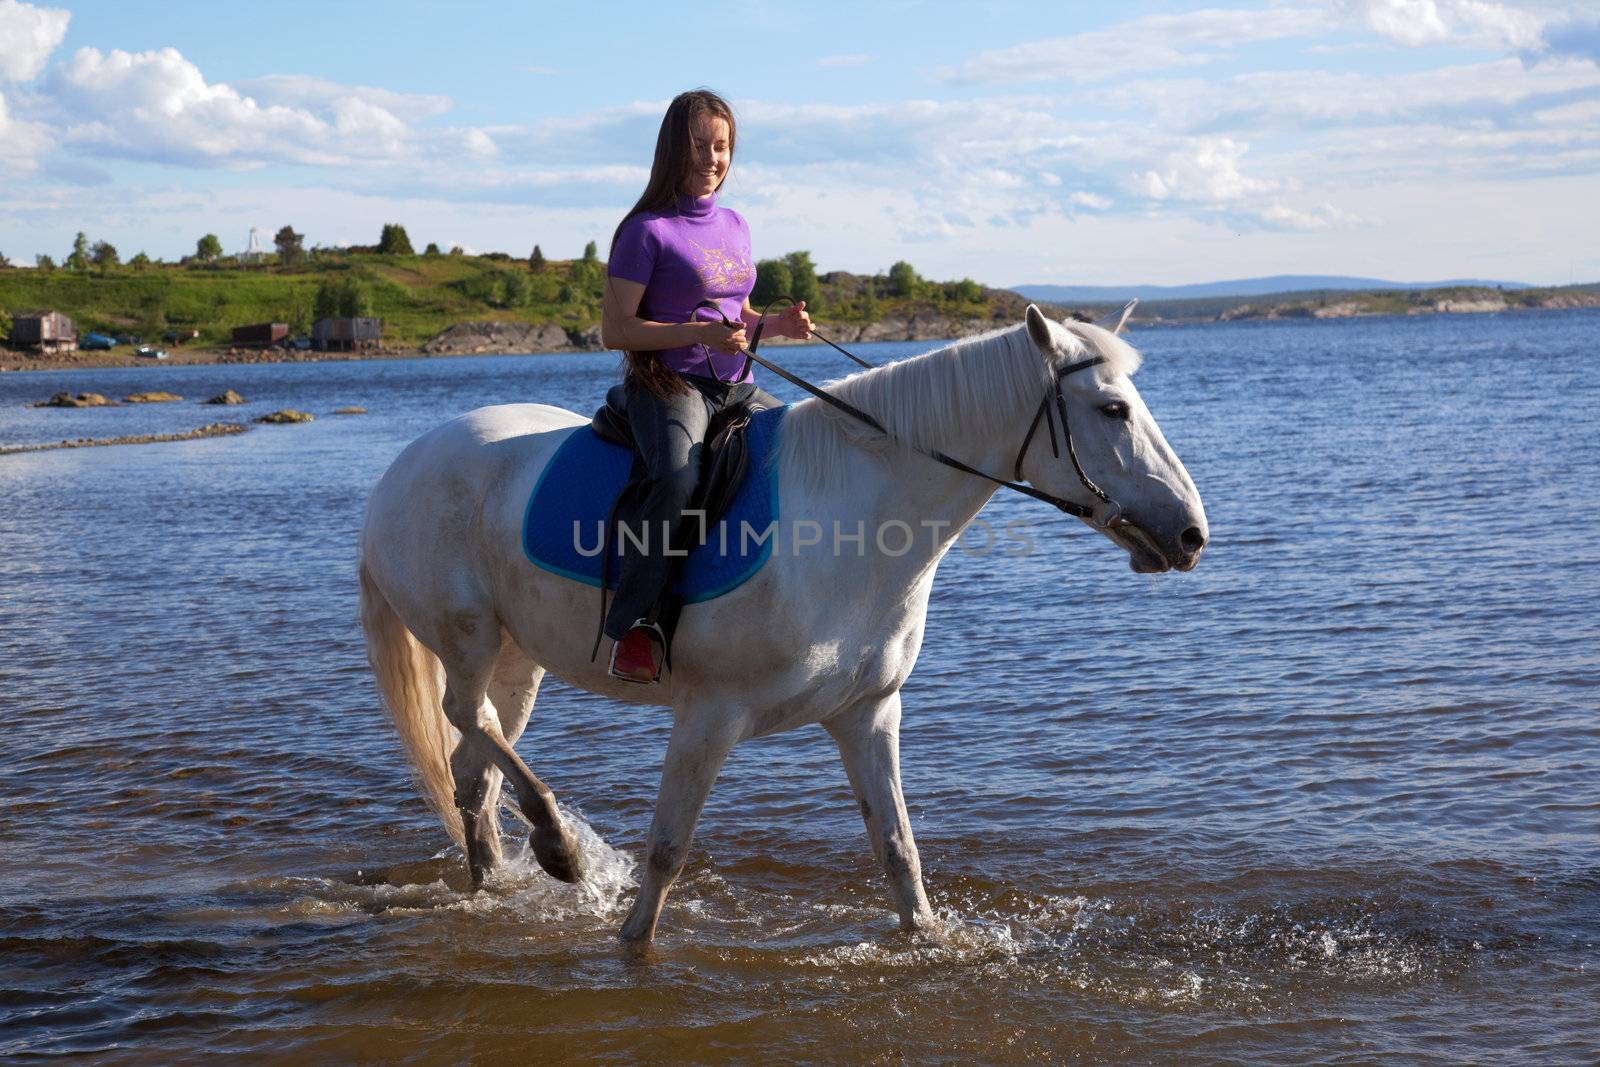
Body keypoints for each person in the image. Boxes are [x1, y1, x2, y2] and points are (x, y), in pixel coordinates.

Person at [600, 89, 812, 684]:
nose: (712, 158)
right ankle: (636, 625)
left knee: (809, 447)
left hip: (735, 384)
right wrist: (697, 332)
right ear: (674, 149)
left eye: (722, 146)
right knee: (677, 477)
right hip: (668, 383)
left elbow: (736, 315)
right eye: (700, 145)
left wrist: (775, 327)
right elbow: (614, 330)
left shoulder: (736, 225)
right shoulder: (645, 231)